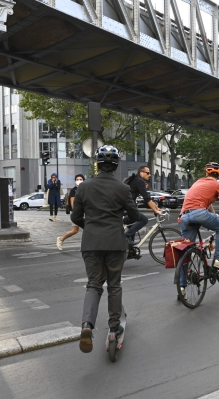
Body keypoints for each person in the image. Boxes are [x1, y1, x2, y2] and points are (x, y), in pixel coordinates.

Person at [71, 146, 140, 354]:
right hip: (115, 242)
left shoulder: (83, 187)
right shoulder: (123, 189)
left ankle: (86, 326)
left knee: (93, 284)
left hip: (91, 243)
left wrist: (90, 227)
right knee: (114, 284)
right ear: (116, 166)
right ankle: (113, 327)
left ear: (97, 165)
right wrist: (120, 222)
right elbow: (135, 216)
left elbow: (75, 217)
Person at [177, 162, 219, 295]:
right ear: (218, 173)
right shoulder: (216, 184)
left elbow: (205, 201)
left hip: (183, 216)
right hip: (200, 213)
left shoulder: (198, 182)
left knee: (187, 251)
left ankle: (182, 288)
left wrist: (213, 214)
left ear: (206, 173)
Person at [125, 165, 163, 245]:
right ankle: (126, 236)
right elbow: (147, 198)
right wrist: (156, 210)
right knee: (144, 220)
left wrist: (157, 208)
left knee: (132, 224)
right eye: (148, 173)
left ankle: (130, 247)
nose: (149, 175)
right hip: (128, 208)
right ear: (141, 173)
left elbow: (148, 198)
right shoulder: (139, 181)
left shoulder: (135, 180)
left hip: (127, 207)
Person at [57, 174, 85, 250]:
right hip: (77, 213)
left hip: (85, 212)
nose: (79, 181)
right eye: (77, 179)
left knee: (88, 229)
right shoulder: (73, 190)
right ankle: (61, 239)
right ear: (75, 181)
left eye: (81, 179)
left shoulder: (86, 189)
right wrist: (75, 211)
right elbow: (72, 202)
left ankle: (86, 246)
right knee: (75, 230)